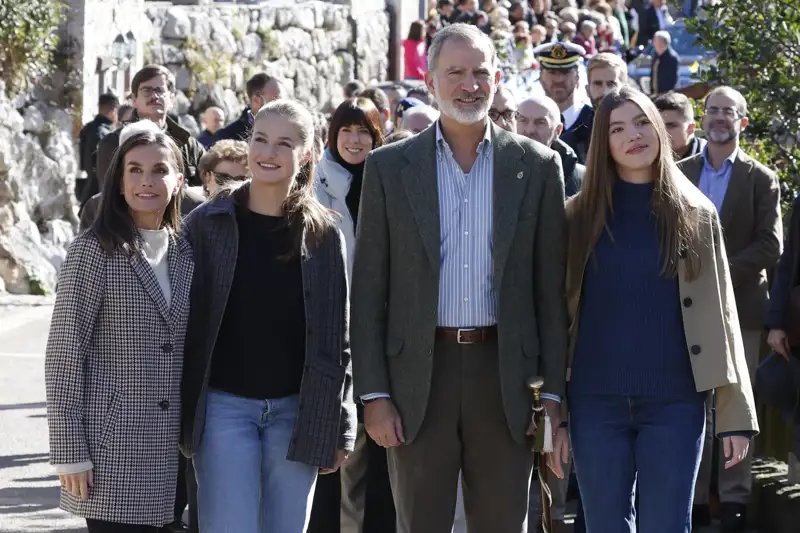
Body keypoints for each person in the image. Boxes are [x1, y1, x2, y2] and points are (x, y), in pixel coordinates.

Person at [351, 23, 568, 533]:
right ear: (430, 80)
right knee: (421, 522)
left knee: (500, 522)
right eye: (455, 72)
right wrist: (374, 394)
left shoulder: (537, 167)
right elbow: (367, 292)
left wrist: (554, 396)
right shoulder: (387, 168)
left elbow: (550, 295)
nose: (470, 84)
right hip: (417, 381)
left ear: (497, 77)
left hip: (508, 378)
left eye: (480, 72)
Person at [561, 85, 758, 533]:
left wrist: (736, 414)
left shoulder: (696, 212)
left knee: (667, 525)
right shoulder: (575, 217)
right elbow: (557, 314)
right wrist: (553, 407)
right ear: (603, 143)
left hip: (675, 402)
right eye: (617, 127)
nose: (634, 134)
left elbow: (723, 316)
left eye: (642, 121)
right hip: (595, 402)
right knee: (605, 525)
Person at [180, 99, 356, 533]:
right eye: (260, 139)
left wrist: (342, 424)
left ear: (307, 155)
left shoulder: (323, 234)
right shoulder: (206, 223)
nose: (268, 153)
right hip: (223, 408)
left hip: (299, 412)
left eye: (283, 143)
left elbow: (338, 336)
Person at [46, 121, 194, 533]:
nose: (147, 181)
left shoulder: (186, 251)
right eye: (135, 170)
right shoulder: (93, 249)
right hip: (112, 449)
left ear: (179, 180)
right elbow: (64, 353)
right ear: (118, 180)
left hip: (174, 452)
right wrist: (70, 451)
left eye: (159, 170)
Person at [678, 86, 782, 533]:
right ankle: (697, 501)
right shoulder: (679, 172)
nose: (720, 118)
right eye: (713, 111)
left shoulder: (762, 179)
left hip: (742, 310)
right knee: (690, 404)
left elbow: (770, 245)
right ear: (703, 120)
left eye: (729, 112)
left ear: (742, 121)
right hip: (684, 313)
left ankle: (735, 501)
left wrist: (718, 274)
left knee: (738, 406)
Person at [308, 97, 393, 533]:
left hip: (380, 331)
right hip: (330, 330)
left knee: (379, 456)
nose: (355, 140)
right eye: (347, 131)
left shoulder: (391, 181)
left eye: (364, 132)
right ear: (332, 136)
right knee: (330, 452)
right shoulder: (314, 186)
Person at [80, 65, 206, 232]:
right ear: (134, 99)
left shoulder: (188, 143)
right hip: (125, 233)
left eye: (160, 90)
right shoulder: (113, 143)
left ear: (172, 98)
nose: (154, 96)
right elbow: (110, 195)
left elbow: (208, 185)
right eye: (146, 91)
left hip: (180, 232)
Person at [534, 41, 594, 164]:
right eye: (552, 72)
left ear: (577, 77)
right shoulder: (529, 122)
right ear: (540, 77)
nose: (559, 79)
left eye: (565, 72)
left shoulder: (593, 120)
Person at [517, 95, 583, 197]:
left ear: (557, 131)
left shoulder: (582, 179)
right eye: (523, 120)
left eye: (540, 122)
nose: (530, 130)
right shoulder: (495, 170)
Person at [213, 73, 286, 144]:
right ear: (256, 100)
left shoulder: (289, 133)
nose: (282, 106)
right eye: (276, 100)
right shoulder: (227, 137)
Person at [78, 93, 119, 200]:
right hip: (100, 185)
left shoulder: (87, 128)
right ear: (113, 110)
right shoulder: (106, 134)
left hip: (90, 182)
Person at [654, 91, 706, 160]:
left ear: (691, 128)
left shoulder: (711, 159)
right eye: (658, 126)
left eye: (671, 126)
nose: (663, 132)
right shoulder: (648, 157)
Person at [651, 30, 680, 95]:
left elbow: (673, 80)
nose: (653, 43)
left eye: (655, 41)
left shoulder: (672, 58)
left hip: (666, 95)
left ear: (662, 42)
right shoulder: (656, 55)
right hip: (655, 93)